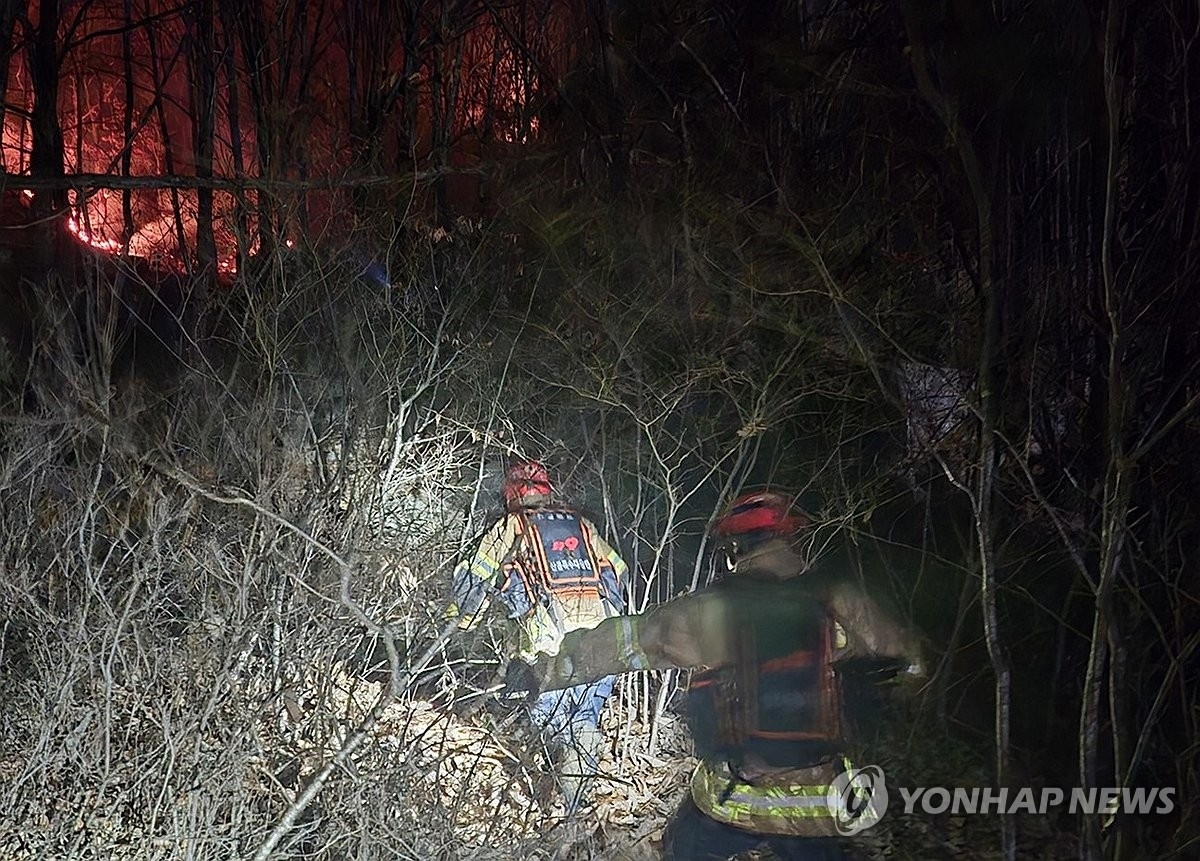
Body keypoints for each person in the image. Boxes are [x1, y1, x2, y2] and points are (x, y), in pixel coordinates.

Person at [507, 490, 928, 860]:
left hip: (733, 797)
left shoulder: (717, 608)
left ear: (733, 548)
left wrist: (545, 671)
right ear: (790, 538)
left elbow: (629, 642)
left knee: (684, 850)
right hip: (819, 802)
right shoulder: (836, 597)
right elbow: (907, 659)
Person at [449, 459, 629, 813]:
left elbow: (473, 578)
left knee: (556, 723)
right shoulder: (582, 525)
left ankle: (566, 803)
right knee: (584, 716)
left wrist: (458, 624)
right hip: (600, 642)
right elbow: (618, 573)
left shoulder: (512, 528)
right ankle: (575, 797)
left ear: (510, 496)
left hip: (548, 648)